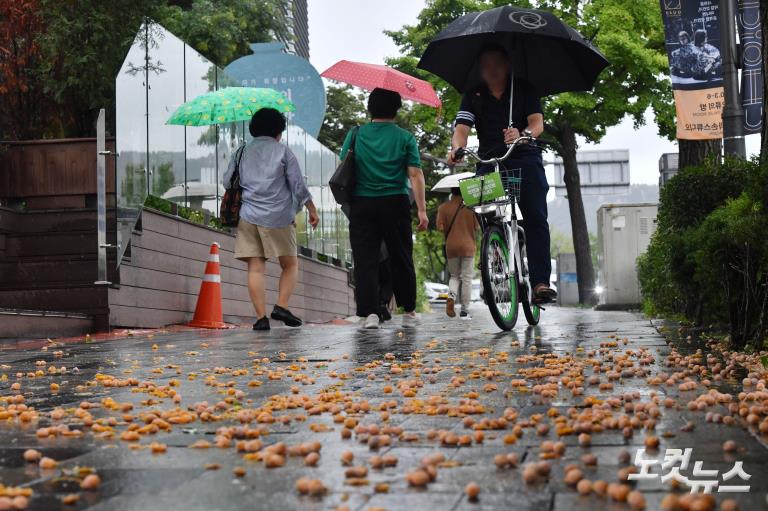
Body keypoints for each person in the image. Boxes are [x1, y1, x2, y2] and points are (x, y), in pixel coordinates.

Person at [448, 44, 556, 303]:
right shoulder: (473, 94)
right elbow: (461, 129)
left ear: (507, 65)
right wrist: (456, 148)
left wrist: (523, 135)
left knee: (535, 217)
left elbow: (537, 123)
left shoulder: (524, 89)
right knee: (481, 205)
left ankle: (541, 282)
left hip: (524, 157)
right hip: (489, 159)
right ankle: (495, 256)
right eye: (485, 65)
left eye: (496, 63)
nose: (491, 69)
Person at [340, 87, 428, 329]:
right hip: (395, 201)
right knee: (400, 255)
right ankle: (409, 310)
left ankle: (369, 314)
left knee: (365, 257)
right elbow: (415, 174)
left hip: (362, 203)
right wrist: (421, 210)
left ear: (369, 108)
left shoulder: (356, 134)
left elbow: (343, 164)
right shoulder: (405, 137)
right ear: (396, 110)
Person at [224, 107, 319, 331]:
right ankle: (282, 305)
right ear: (279, 131)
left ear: (254, 129)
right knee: (289, 265)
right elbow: (298, 185)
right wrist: (312, 209)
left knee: (255, 268)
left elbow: (228, 182)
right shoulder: (283, 152)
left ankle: (260, 318)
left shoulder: (241, 152)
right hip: (280, 217)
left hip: (248, 216)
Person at [437, 187, 479, 319]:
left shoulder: (443, 208)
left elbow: (440, 228)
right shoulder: (471, 207)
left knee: (454, 276)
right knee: (466, 278)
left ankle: (451, 296)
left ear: (451, 191)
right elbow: (477, 227)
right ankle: (465, 310)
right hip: (468, 246)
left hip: (451, 246)